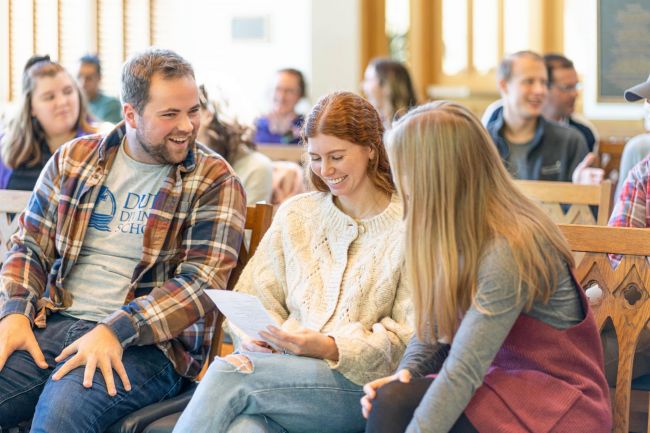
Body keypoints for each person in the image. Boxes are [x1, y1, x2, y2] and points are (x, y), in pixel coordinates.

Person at [0, 48, 246, 433]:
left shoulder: (214, 179)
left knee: (59, 420)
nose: (187, 125)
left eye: (193, 110)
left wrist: (117, 329)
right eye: (169, 114)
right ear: (130, 114)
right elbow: (28, 245)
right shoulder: (74, 159)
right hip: (55, 320)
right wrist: (15, 311)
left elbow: (201, 283)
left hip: (147, 345)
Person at [361, 101, 611, 433]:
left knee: (404, 408)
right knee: (390, 398)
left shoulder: (509, 245)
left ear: (434, 176)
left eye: (402, 171)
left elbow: (464, 370)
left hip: (555, 399)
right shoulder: (456, 227)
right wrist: (405, 375)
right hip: (500, 384)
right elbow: (433, 328)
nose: (399, 185)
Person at [173, 91, 412, 433]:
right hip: (282, 378)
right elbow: (254, 294)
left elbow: (410, 335)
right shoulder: (298, 214)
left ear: (371, 149)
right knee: (244, 428)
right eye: (315, 157)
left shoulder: (409, 225)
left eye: (337, 156)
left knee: (228, 372)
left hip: (359, 386)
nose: (326, 170)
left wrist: (329, 346)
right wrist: (261, 337)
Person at [484, 51, 602, 184]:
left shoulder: (571, 141)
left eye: (544, 83)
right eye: (529, 81)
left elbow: (586, 202)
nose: (539, 90)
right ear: (504, 86)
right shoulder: (482, 142)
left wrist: (584, 189)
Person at [0, 55, 97, 191]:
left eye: (68, 91)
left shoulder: (101, 145)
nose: (62, 102)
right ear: (31, 107)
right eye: (49, 97)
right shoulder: (7, 147)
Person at [199, 85, 273, 204]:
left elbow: (246, 222)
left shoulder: (255, 167)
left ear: (208, 115)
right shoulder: (188, 162)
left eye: (192, 111)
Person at [362, 57, 417, 130]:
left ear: (387, 86)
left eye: (368, 80)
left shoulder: (411, 127)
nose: (363, 86)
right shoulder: (373, 124)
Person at [254, 68, 306, 144]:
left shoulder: (306, 128)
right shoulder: (256, 126)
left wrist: (288, 135)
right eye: (277, 89)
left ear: (300, 95)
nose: (281, 96)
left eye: (289, 91)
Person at [77, 53, 123, 124]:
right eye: (79, 76)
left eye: (88, 78)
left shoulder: (111, 105)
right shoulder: (73, 104)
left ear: (99, 78)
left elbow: (110, 133)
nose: (82, 83)